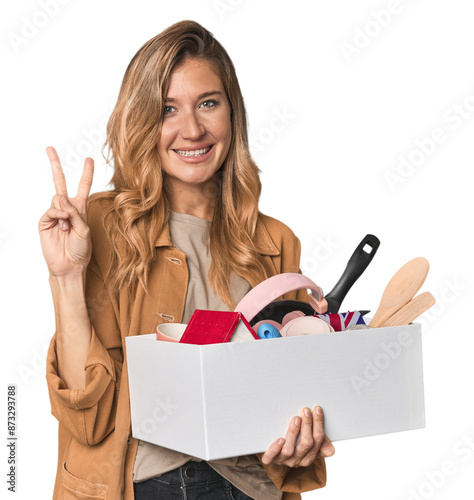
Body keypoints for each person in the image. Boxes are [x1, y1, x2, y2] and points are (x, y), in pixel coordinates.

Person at [39, 20, 335, 500]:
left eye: (209, 103)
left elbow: (292, 395)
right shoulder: (101, 226)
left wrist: (302, 439)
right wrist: (67, 279)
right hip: (140, 485)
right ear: (141, 120)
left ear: (232, 113)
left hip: (249, 487)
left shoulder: (276, 242)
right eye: (167, 109)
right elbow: (87, 417)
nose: (192, 129)